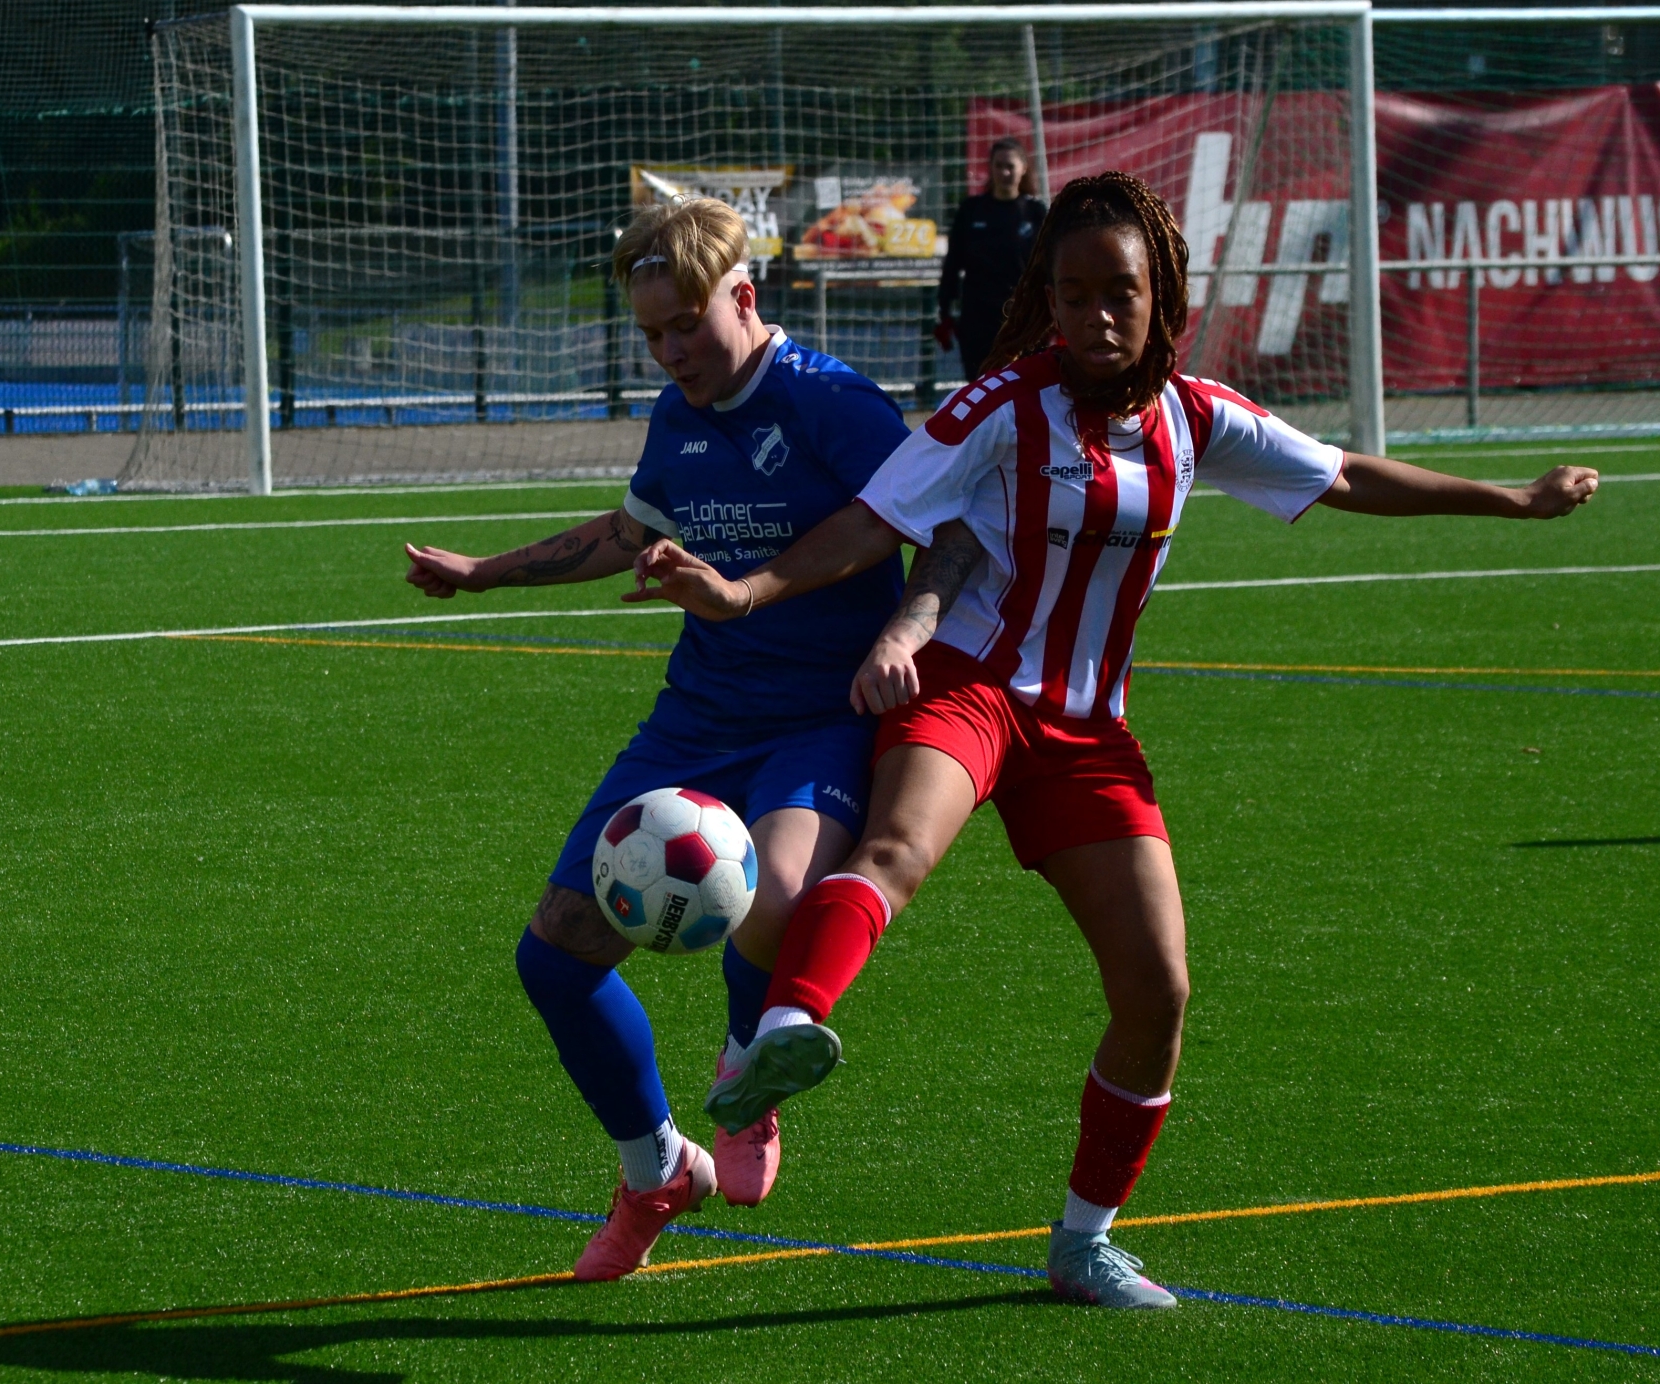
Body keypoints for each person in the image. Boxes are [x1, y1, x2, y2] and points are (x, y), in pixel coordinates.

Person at [626, 172, 1599, 1309]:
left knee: (1158, 987)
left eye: (1118, 291)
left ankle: (1085, 1241)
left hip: (1088, 729)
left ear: (1159, 294)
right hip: (969, 688)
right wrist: (753, 595)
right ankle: (785, 1031)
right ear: (1046, 297)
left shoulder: (1196, 415)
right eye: (1073, 291)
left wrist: (1512, 498)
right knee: (896, 848)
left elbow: (1343, 474)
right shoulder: (1001, 403)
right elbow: (873, 520)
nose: (1095, 313)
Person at [400, 197, 923, 1282]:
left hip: (818, 715)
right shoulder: (676, 418)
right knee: (554, 953)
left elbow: (890, 521)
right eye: (651, 334)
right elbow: (626, 529)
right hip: (698, 716)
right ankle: (656, 1171)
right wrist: (483, 572)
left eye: (687, 323)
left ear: (744, 296)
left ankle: (746, 1071)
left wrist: (751, 590)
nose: (671, 350)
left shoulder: (830, 399)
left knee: (776, 899)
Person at [935, 137, 1047, 381]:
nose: (1004, 172)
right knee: (981, 386)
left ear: (1023, 168)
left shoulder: (1035, 212)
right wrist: (944, 309)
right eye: (999, 165)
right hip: (978, 318)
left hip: (1023, 318)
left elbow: (1049, 267)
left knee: (1024, 386)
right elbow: (953, 263)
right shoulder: (971, 210)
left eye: (1010, 166)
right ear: (990, 168)